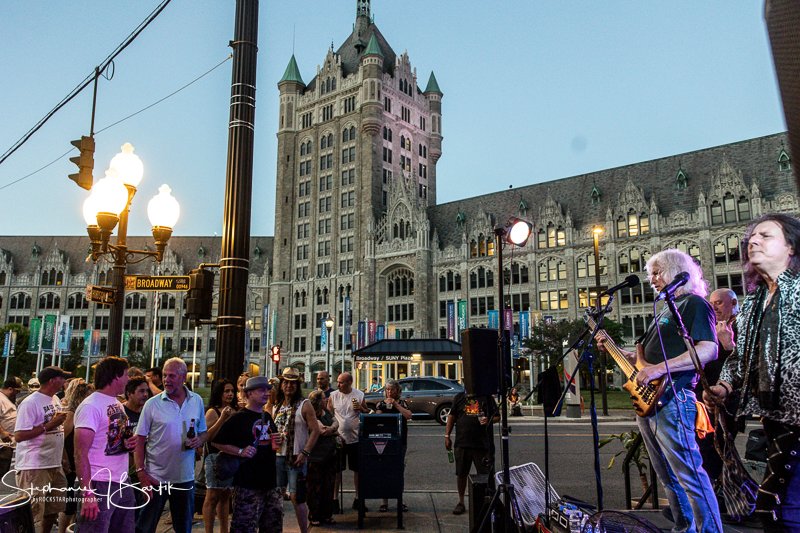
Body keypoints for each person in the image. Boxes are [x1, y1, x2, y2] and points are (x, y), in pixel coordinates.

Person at [597, 248, 721, 533]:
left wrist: (658, 369)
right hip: (650, 402)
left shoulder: (694, 304)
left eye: (657, 273)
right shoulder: (665, 309)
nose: (651, 279)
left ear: (677, 271)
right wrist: (615, 350)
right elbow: (643, 361)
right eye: (650, 274)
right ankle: (684, 528)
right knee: (668, 477)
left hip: (674, 398)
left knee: (689, 475)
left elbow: (708, 349)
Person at [704, 213, 800, 531]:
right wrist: (724, 386)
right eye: (752, 236)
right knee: (772, 510)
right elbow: (741, 358)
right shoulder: (755, 302)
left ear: (791, 247)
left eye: (766, 235)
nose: (754, 241)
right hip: (778, 424)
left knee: (786, 511)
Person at [134, 357, 207, 533]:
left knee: (183, 527)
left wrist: (199, 440)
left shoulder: (196, 401)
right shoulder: (152, 404)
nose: (167, 379)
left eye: (172, 376)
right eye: (165, 375)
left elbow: (203, 432)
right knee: (145, 527)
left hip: (184, 478)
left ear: (184, 377)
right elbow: (140, 439)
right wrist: (141, 472)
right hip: (155, 478)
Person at [74, 356, 136, 533]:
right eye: (126, 375)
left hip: (121, 481)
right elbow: (80, 453)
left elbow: (109, 439)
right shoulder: (90, 406)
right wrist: (87, 493)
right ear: (116, 376)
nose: (128, 379)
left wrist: (126, 443)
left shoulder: (117, 404)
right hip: (99, 483)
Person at [213, 376, 282, 532]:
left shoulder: (267, 416)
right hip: (247, 483)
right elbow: (217, 441)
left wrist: (278, 441)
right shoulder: (238, 418)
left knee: (273, 526)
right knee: (244, 526)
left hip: (270, 482)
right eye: (261, 390)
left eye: (268, 390)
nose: (267, 393)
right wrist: (240, 451)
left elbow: (272, 442)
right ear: (249, 393)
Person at [13, 366, 70, 532]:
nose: (64, 381)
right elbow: (19, 435)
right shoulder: (30, 403)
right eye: (61, 378)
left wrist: (63, 458)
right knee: (33, 513)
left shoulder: (55, 399)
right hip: (34, 466)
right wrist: (48, 425)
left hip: (54, 464)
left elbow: (59, 431)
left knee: (53, 509)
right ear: (52, 381)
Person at [273, 367, 321, 533]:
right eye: (286, 382)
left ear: (298, 385)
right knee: (276, 497)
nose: (289, 386)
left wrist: (305, 452)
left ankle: (303, 531)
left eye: (293, 383)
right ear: (281, 385)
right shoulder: (276, 405)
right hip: (278, 456)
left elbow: (315, 430)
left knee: (297, 497)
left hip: (296, 457)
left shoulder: (304, 404)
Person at [444, 392, 498, 515]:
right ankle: (461, 501)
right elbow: (452, 416)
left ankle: (485, 503)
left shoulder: (487, 397)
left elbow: (497, 416)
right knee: (461, 474)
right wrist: (447, 436)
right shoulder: (459, 397)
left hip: (482, 445)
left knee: (485, 475)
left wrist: (488, 419)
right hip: (462, 443)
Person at [202, 379, 238, 533]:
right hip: (214, 458)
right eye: (226, 391)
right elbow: (207, 436)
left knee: (225, 496)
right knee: (212, 496)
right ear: (219, 393)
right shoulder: (212, 411)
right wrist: (222, 418)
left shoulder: (235, 410)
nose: (230, 394)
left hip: (231, 457)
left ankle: (224, 529)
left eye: (232, 391)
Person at [330, 371, 367, 511]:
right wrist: (333, 431)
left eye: (341, 382)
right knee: (337, 470)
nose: (338, 384)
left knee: (358, 470)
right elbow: (329, 414)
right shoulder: (333, 396)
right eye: (338, 382)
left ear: (349, 382)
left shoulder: (359, 395)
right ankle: (334, 499)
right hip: (339, 439)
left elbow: (367, 412)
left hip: (355, 438)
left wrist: (361, 408)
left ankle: (358, 498)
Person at [59, 380, 94, 533]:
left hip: (78, 463)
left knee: (75, 504)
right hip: (70, 464)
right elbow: (61, 439)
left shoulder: (84, 413)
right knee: (68, 504)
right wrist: (64, 460)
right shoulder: (71, 414)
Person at [375, 380, 412, 513]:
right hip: (385, 441)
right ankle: (384, 501)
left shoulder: (402, 403)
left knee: (398, 470)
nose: (389, 392)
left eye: (392, 390)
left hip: (399, 441)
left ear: (397, 391)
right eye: (387, 390)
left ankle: (399, 500)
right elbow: (376, 419)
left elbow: (408, 415)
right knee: (384, 469)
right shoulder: (381, 404)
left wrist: (395, 404)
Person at [306, 389, 339, 526]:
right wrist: (333, 430)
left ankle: (327, 514)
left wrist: (331, 429)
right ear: (318, 401)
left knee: (328, 485)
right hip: (316, 456)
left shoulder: (327, 412)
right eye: (324, 398)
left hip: (330, 455)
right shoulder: (312, 415)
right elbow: (321, 430)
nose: (327, 400)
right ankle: (315, 514)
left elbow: (336, 423)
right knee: (315, 487)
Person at [122, 376, 149, 520]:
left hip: (145, 469)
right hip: (124, 471)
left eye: (147, 391)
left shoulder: (148, 412)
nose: (145, 395)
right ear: (129, 393)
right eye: (141, 391)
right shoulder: (121, 412)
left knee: (141, 513)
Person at [0, 377, 21, 480]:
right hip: (2, 443)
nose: (17, 393)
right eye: (17, 391)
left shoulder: (7, 399)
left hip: (7, 443)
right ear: (10, 389)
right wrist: (3, 432)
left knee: (3, 471)